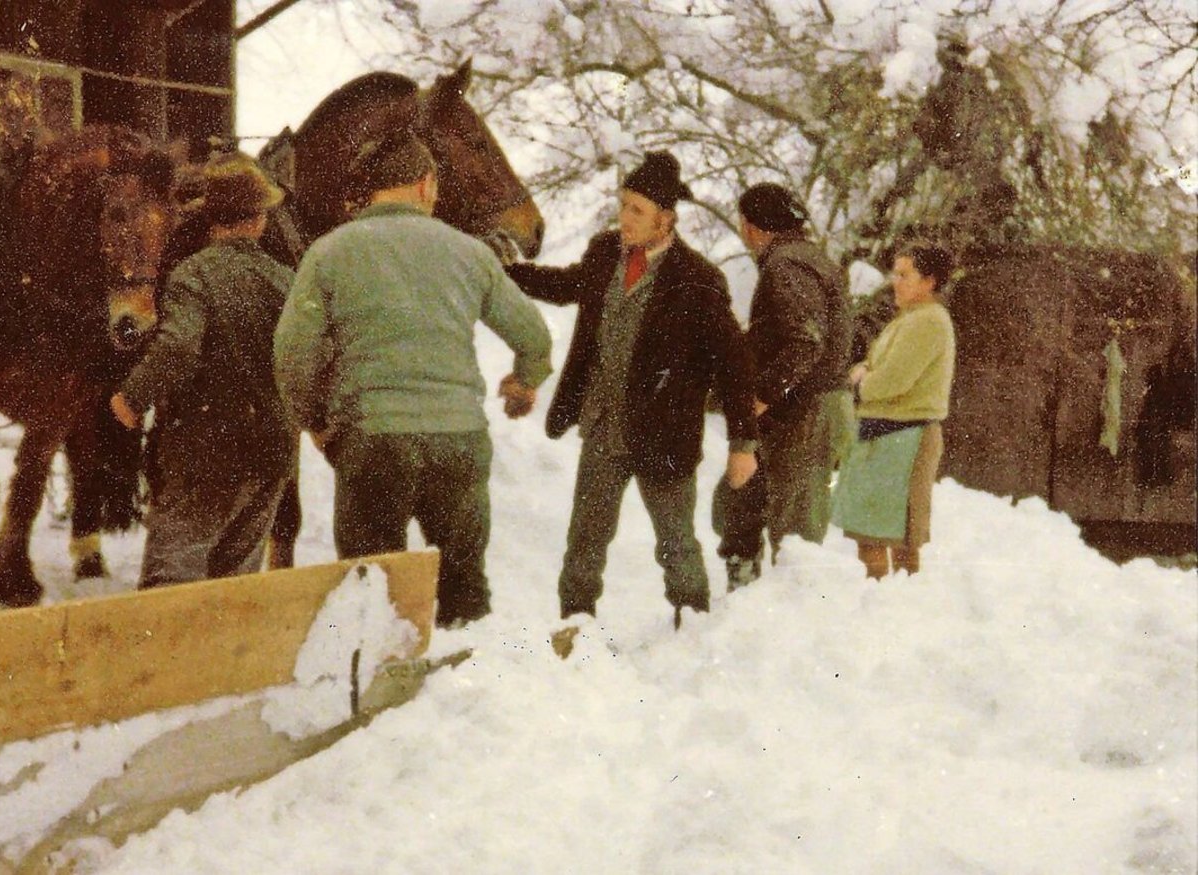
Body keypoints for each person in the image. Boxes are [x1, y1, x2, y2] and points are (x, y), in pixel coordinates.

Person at [273, 131, 552, 629]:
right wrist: (524, 382)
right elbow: (533, 335)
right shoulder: (469, 253)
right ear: (425, 185)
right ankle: (464, 684)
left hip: (373, 440)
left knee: (371, 587)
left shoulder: (330, 252)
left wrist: (314, 420)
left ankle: (382, 689)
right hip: (458, 440)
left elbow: (292, 351)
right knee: (465, 586)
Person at [506, 151, 759, 628]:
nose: (624, 218)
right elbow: (566, 286)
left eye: (636, 211)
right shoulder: (605, 254)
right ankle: (575, 628)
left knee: (675, 543)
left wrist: (743, 444)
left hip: (664, 436)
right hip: (603, 426)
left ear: (665, 220)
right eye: (622, 206)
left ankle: (695, 626)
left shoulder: (699, 280)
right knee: (585, 539)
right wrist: (504, 271)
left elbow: (734, 366)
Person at [110, 154, 297, 588]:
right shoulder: (286, 280)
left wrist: (132, 396)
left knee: (170, 589)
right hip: (270, 456)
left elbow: (178, 346)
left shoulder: (193, 276)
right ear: (258, 221)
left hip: (204, 454)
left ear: (212, 220)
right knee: (236, 586)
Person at [711, 181, 851, 590]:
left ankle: (791, 634)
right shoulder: (813, 260)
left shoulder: (785, 266)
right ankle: (747, 600)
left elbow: (807, 342)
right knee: (737, 502)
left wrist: (760, 396)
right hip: (802, 408)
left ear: (751, 226)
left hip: (807, 412)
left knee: (795, 539)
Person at [832, 244, 957, 578]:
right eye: (895, 273)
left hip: (904, 436)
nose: (895, 282)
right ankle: (885, 603)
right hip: (885, 434)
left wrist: (862, 382)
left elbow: (889, 380)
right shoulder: (908, 319)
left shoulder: (928, 321)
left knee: (892, 536)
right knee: (873, 532)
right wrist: (865, 373)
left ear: (929, 281)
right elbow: (872, 365)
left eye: (905, 275)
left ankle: (896, 607)